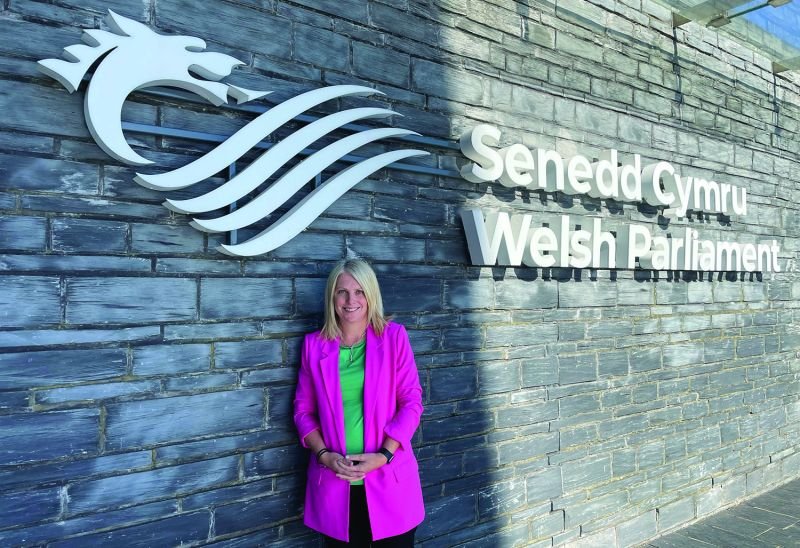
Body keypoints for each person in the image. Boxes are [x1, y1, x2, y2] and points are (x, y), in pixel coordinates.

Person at [293, 259, 425, 546]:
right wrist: (324, 455)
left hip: (389, 482)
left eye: (359, 292)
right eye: (342, 292)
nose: (350, 300)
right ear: (332, 297)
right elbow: (303, 411)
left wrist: (384, 455)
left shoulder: (394, 337)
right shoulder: (314, 345)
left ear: (371, 295)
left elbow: (412, 403)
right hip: (335, 485)